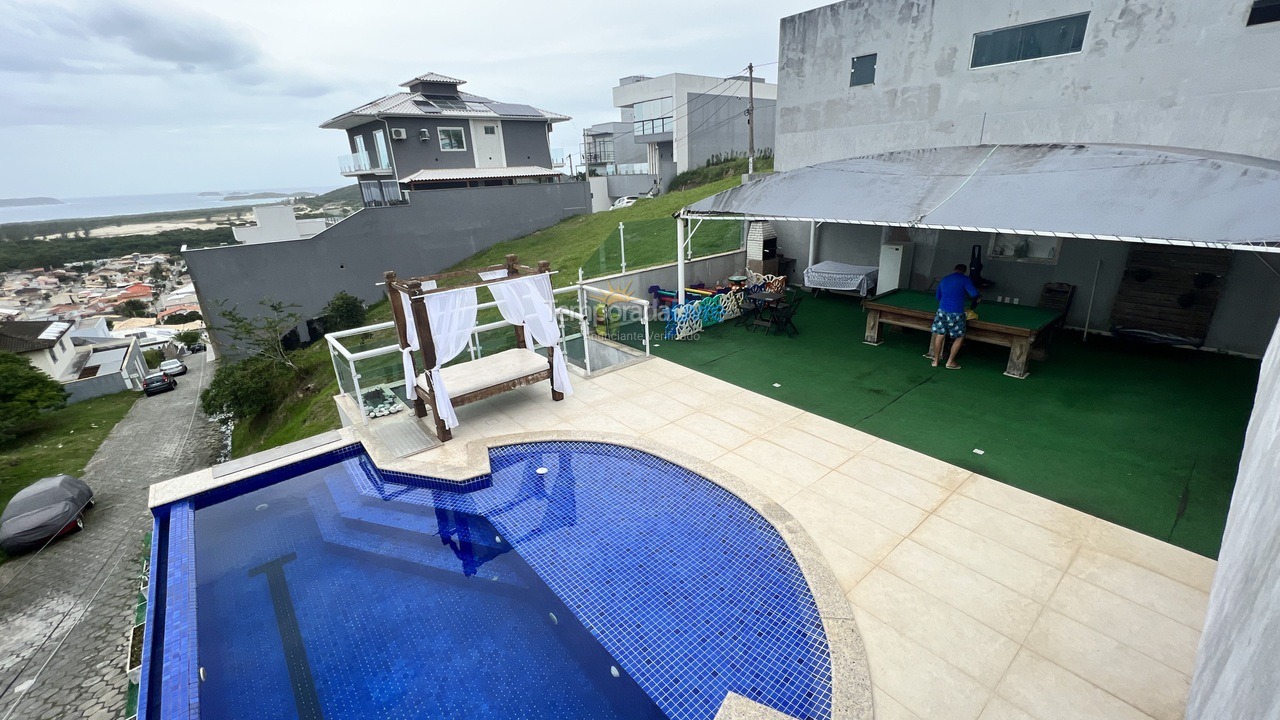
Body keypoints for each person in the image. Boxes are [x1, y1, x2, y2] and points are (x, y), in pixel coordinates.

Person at [930, 264, 980, 369]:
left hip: (941, 311)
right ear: (964, 271)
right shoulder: (965, 279)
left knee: (939, 335)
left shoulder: (944, 279)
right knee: (959, 336)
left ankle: (935, 361)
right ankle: (950, 362)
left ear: (954, 269)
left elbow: (937, 296)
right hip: (956, 313)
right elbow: (974, 294)